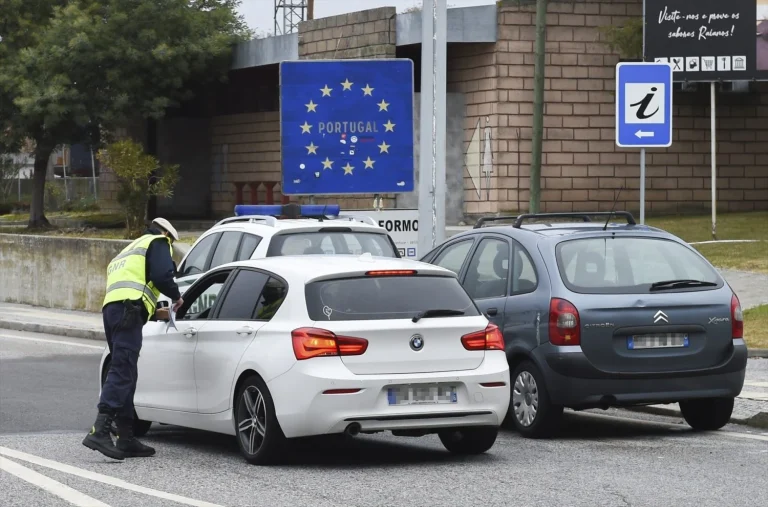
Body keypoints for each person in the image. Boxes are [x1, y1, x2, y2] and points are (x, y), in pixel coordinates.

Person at [82, 217, 184, 460]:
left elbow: (136, 286)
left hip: (113, 311)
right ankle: (100, 430)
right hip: (128, 310)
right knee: (123, 369)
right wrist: (176, 296)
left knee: (126, 370)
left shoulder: (127, 251)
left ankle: (126, 437)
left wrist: (150, 310)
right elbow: (161, 275)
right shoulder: (159, 241)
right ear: (166, 235)